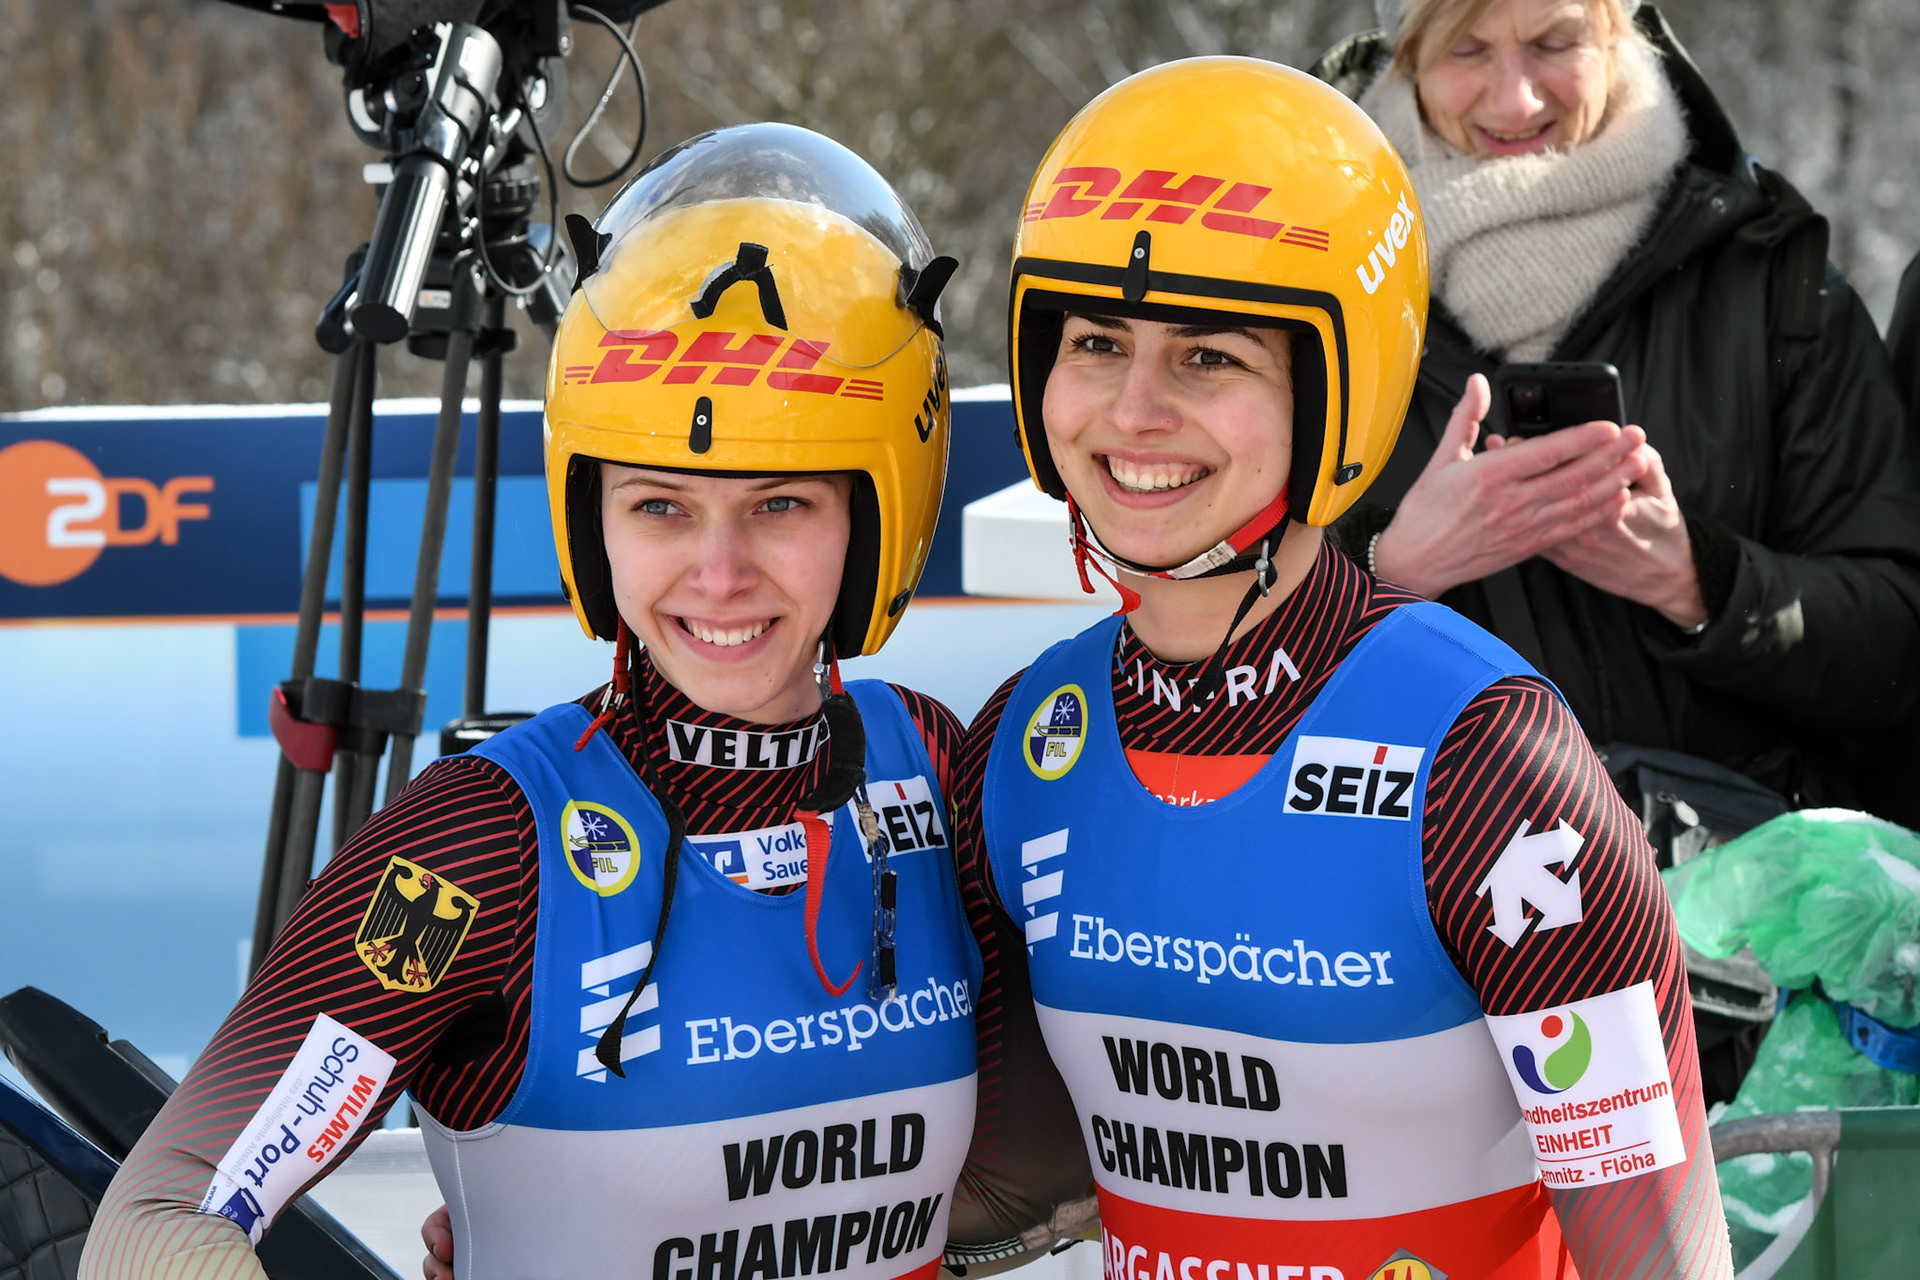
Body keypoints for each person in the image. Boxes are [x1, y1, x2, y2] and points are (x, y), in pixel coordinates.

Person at [80, 124, 985, 1280]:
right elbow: (164, 1209)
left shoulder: (934, 766)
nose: (718, 575)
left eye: (781, 504)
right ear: (589, 516)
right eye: (659, 505)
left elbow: (1055, 1154)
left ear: (878, 511)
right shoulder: (481, 844)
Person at [950, 55, 1733, 1278]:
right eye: (1097, 342)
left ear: (1337, 394)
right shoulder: (1023, 744)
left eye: (1209, 357)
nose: (1133, 410)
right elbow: (988, 1184)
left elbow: (1658, 1257)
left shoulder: (1488, 762)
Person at [1309, 0, 1920, 818]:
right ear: (1409, 56)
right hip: (1413, 869)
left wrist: (1700, 580)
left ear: (1618, 34)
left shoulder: (1769, 276)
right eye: (1466, 49)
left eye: (1555, 42)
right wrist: (1384, 570)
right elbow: (1198, 628)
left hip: (1738, 881)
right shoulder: (1309, 283)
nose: (1516, 99)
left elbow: (1897, 653)